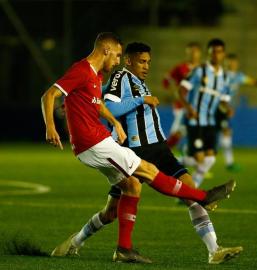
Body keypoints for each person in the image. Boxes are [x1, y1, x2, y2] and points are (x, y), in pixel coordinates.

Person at [41, 32, 236, 264]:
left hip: (158, 147)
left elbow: (96, 100)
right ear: (126, 59)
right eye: (141, 61)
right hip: (134, 148)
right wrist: (139, 102)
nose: (146, 66)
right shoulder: (118, 77)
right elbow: (104, 104)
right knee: (112, 210)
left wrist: (87, 108)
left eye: (148, 62)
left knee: (165, 190)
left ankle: (214, 250)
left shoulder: (125, 80)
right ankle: (77, 241)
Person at [178, 38, 232, 187]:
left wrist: (228, 107)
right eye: (213, 52)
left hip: (211, 122)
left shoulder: (225, 77)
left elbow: (224, 99)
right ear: (208, 54)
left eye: (219, 52)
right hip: (195, 121)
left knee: (210, 158)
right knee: (199, 158)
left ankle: (191, 190)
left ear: (223, 54)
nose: (216, 55)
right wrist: (189, 108)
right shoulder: (199, 70)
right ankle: (177, 162)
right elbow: (181, 91)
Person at [218, 53, 257, 171]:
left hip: (225, 108)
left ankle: (229, 163)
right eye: (230, 62)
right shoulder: (220, 75)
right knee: (220, 134)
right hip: (217, 107)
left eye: (234, 62)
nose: (232, 64)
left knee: (225, 133)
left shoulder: (238, 76)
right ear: (225, 63)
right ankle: (189, 158)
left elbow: (253, 82)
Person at [162, 42, 202, 149]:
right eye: (190, 52)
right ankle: (164, 152)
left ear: (199, 53)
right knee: (180, 131)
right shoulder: (180, 68)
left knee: (184, 131)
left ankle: (171, 151)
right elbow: (166, 81)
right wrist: (175, 91)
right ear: (187, 53)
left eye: (195, 52)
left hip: (198, 105)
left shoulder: (203, 69)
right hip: (182, 104)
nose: (193, 54)